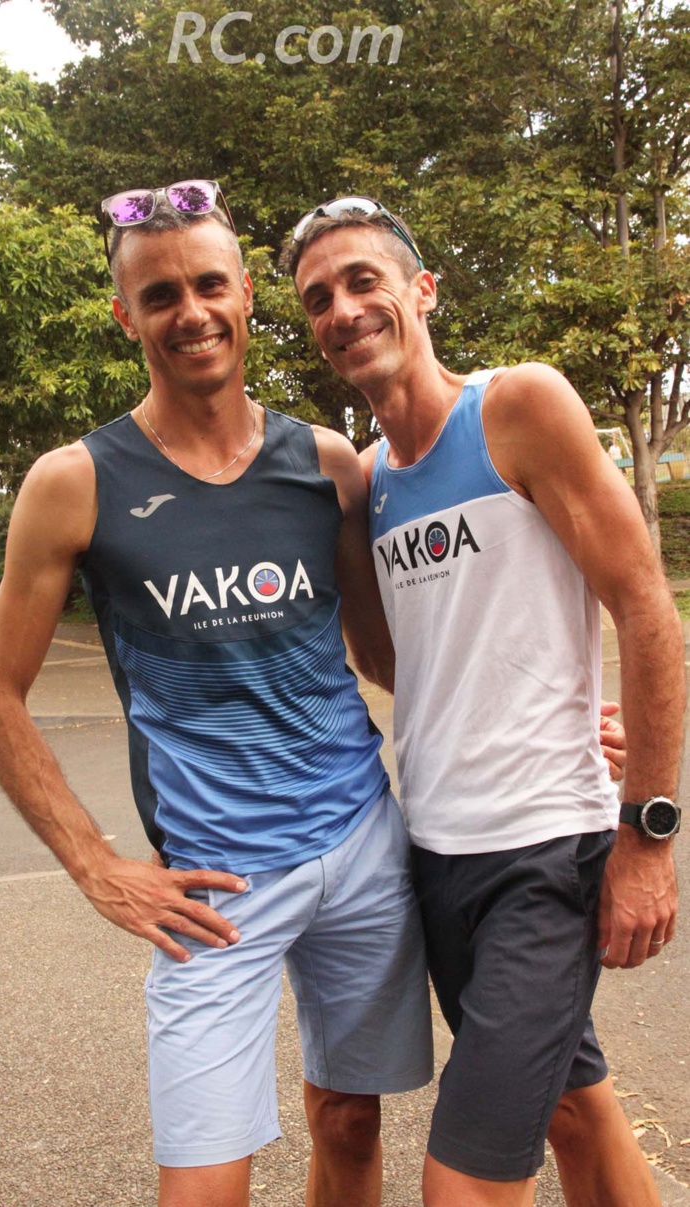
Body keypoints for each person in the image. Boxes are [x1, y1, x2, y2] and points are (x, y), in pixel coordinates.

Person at [0, 181, 434, 1207]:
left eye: (210, 284)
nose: (192, 312)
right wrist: (94, 864)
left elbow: (390, 657)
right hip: (213, 891)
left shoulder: (325, 464)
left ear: (247, 292)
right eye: (161, 293)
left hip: (361, 848)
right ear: (123, 314)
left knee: (353, 1123)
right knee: (203, 1187)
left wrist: (572, 715)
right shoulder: (73, 482)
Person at [282, 198, 686, 1207]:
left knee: (463, 1179)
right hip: (435, 849)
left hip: (547, 851)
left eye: (364, 280)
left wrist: (647, 829)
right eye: (318, 298)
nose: (343, 307)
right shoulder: (367, 480)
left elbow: (645, 608)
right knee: (574, 1107)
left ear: (421, 290)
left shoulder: (516, 408)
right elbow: (397, 660)